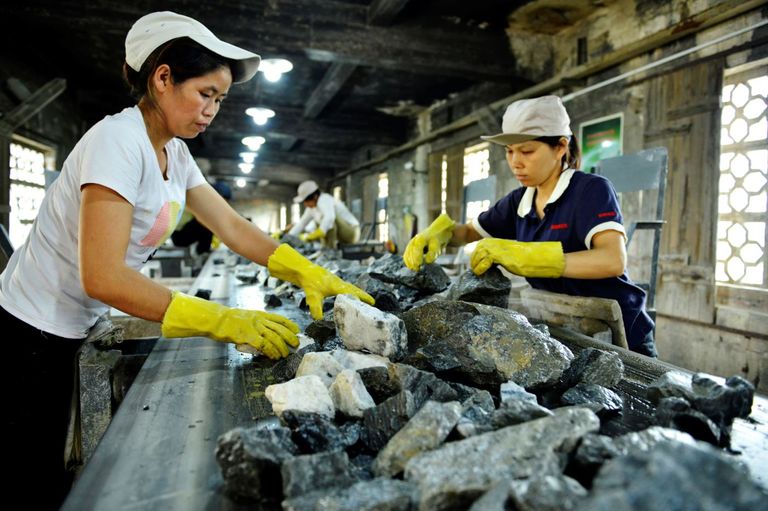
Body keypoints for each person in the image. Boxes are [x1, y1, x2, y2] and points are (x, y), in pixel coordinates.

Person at [0, 11, 372, 509]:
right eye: (205, 94)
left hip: (72, 324)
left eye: (220, 99)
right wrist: (219, 319)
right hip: (30, 331)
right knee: (27, 475)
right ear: (162, 78)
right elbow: (104, 276)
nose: (212, 110)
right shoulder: (117, 141)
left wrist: (305, 269)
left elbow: (233, 227)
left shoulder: (173, 153)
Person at [403, 95, 657, 358]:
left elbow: (612, 259)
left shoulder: (590, 190)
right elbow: (469, 232)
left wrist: (526, 256)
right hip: (567, 326)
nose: (515, 162)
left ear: (560, 147)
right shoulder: (520, 200)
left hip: (620, 334)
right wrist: (439, 233)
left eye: (527, 151)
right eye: (510, 151)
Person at [288, 180, 361, 248]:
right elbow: (302, 223)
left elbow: (330, 217)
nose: (305, 204)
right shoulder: (312, 209)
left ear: (315, 196)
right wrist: (289, 237)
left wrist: (318, 232)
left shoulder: (325, 199)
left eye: (306, 201)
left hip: (352, 233)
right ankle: (324, 250)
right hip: (341, 236)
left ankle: (330, 251)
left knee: (327, 220)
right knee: (320, 222)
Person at [172, 180, 232, 254]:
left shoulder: (205, 202)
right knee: (207, 222)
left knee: (209, 221)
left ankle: (203, 250)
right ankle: (202, 252)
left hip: (183, 232)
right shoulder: (199, 200)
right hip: (179, 236)